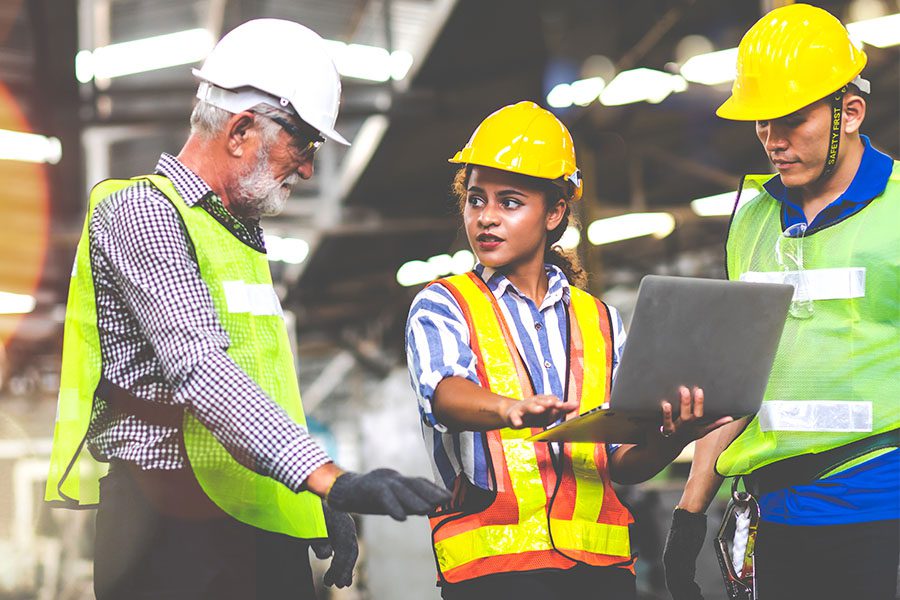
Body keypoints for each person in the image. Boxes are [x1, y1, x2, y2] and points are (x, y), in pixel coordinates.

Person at [44, 19, 449, 600]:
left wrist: (307, 499)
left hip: (249, 519)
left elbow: (263, 388)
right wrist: (330, 478)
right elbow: (200, 367)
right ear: (239, 130)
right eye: (302, 143)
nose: (308, 167)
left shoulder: (235, 240)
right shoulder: (145, 213)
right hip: (168, 534)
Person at [406, 101, 732, 600]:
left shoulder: (600, 321)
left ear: (555, 211)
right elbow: (444, 395)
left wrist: (673, 438)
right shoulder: (443, 303)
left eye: (509, 202)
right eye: (475, 200)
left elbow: (620, 460)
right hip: (492, 576)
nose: (486, 218)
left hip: (601, 573)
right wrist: (506, 408)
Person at [663, 5, 899, 600]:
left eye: (791, 120)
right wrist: (690, 514)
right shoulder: (752, 224)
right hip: (779, 519)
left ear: (850, 111)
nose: (773, 140)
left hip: (882, 511)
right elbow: (740, 381)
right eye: (762, 123)